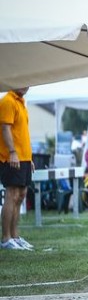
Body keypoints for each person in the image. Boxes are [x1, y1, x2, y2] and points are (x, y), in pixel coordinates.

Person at [0, 87, 34, 250]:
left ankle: (15, 236)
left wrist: (30, 158)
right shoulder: (7, 100)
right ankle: (6, 239)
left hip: (24, 158)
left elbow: (22, 133)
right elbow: (5, 128)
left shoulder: (21, 102)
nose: (26, 86)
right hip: (11, 157)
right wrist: (12, 152)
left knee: (21, 195)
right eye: (23, 82)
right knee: (12, 195)